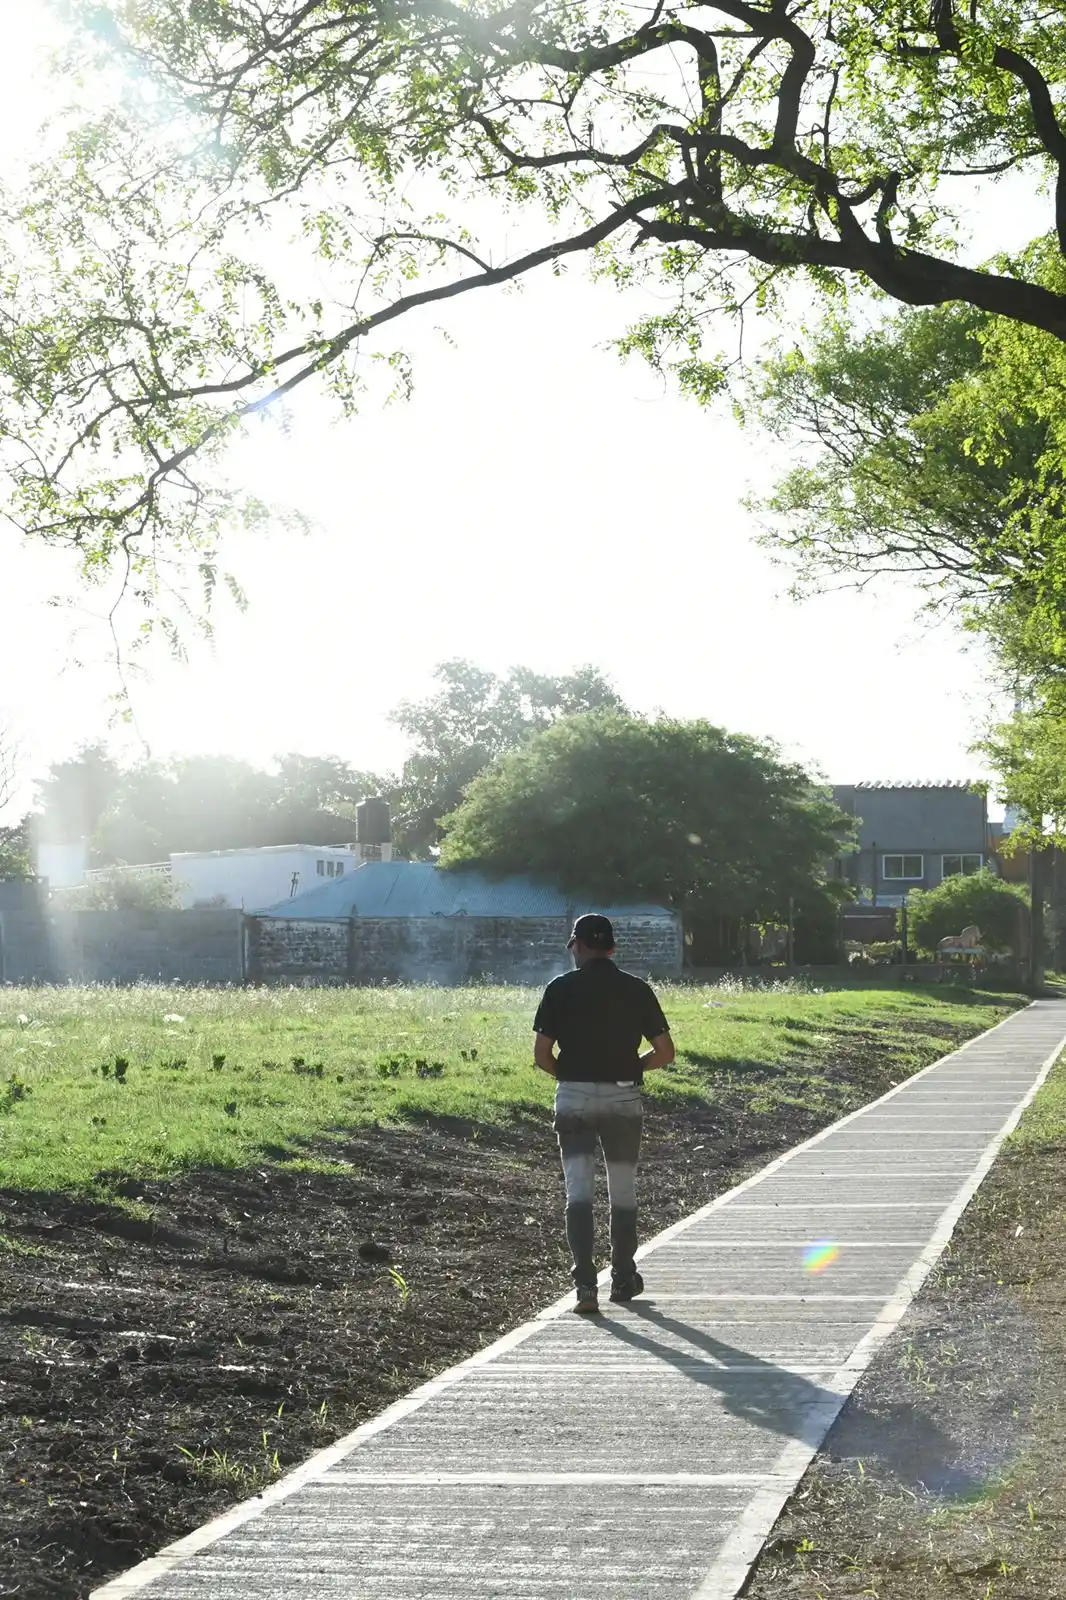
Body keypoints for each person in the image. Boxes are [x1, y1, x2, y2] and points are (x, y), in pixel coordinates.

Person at [533, 913, 675, 1314]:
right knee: (623, 1192)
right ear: (611, 947)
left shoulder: (559, 989)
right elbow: (665, 1052)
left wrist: (576, 1076)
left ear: (577, 945)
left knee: (577, 1194)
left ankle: (584, 1286)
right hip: (623, 1100)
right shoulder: (637, 990)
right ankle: (624, 1277)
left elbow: (542, 1056)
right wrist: (630, 1068)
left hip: (574, 1098)